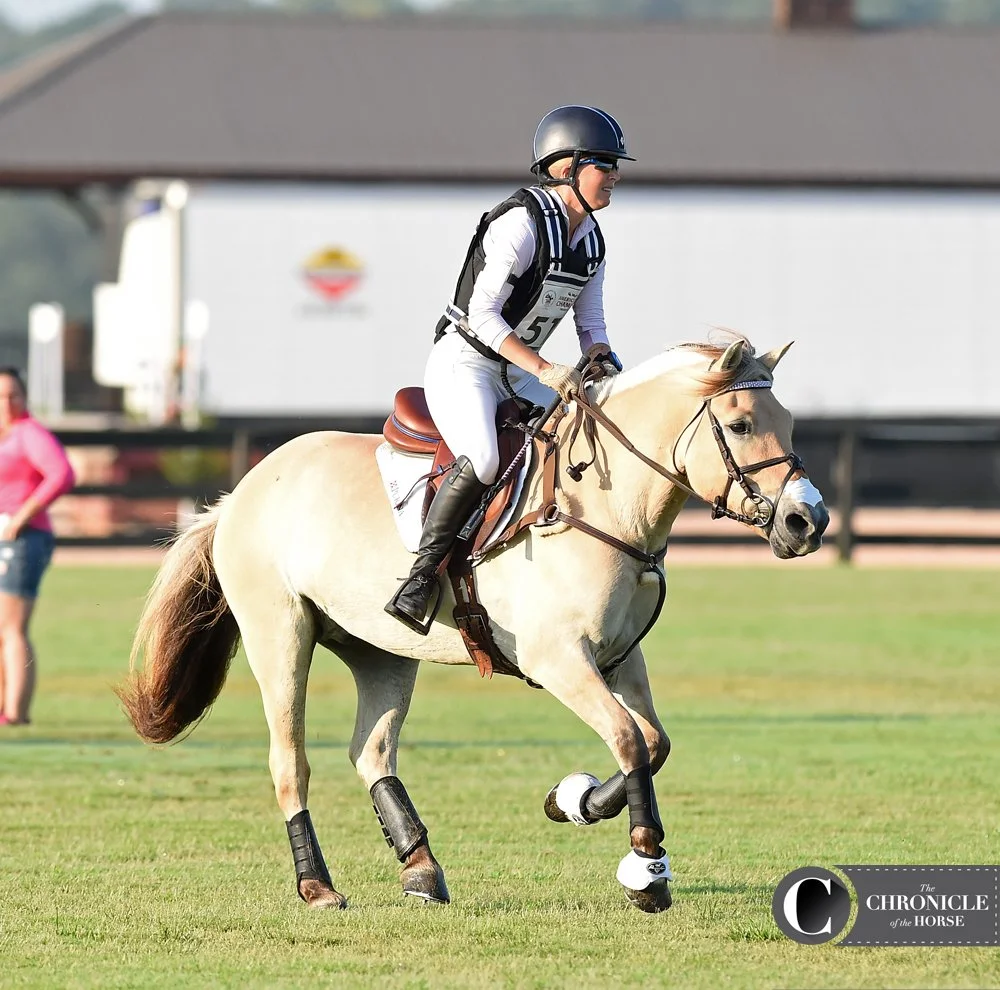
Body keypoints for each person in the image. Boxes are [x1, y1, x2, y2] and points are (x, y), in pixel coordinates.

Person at [385, 105, 631, 633]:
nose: (615, 175)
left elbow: (592, 326)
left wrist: (607, 365)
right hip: (467, 360)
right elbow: (483, 314)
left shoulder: (592, 242)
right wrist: (545, 368)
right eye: (605, 164)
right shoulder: (520, 222)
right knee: (483, 458)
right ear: (567, 167)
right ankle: (421, 578)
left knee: (585, 439)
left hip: (521, 373)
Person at [0, 368, 75, 725]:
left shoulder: (29, 434)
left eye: (13, 395)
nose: (7, 403)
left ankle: (17, 713)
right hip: (4, 539)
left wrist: (22, 515)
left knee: (12, 627)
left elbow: (62, 474)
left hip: (26, 540)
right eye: (0, 396)